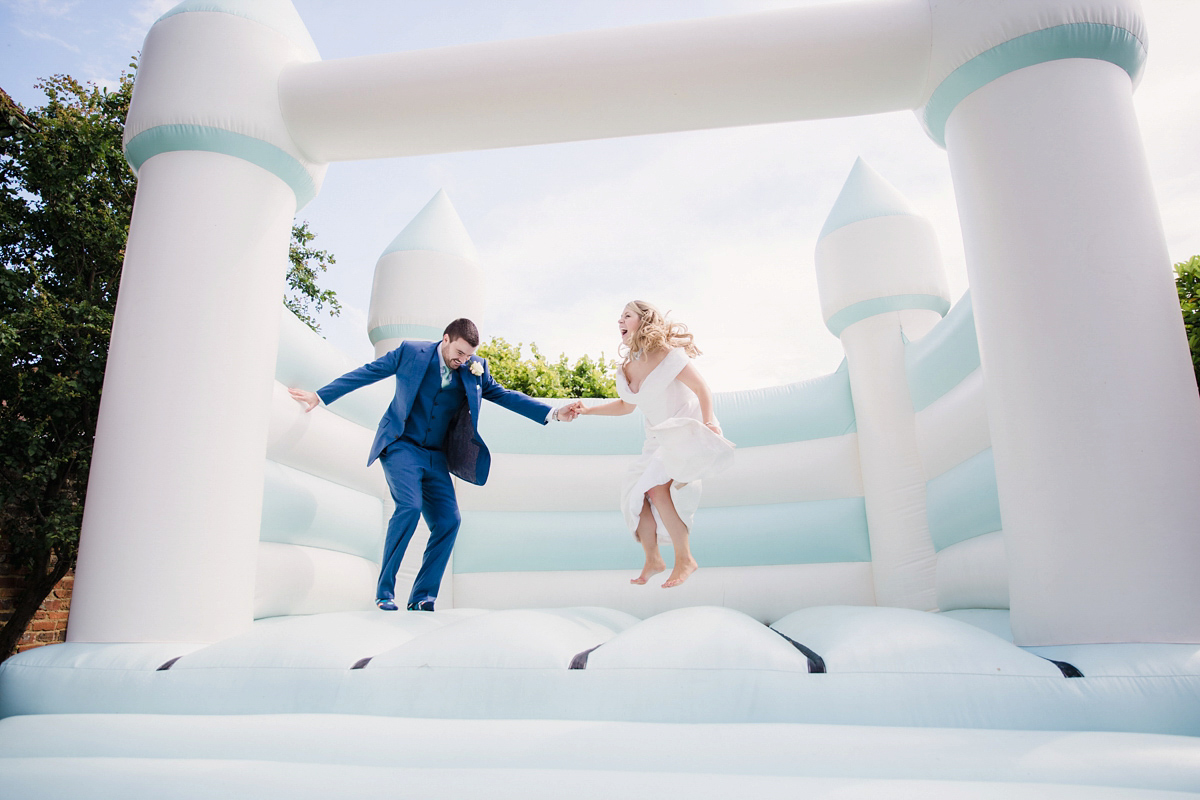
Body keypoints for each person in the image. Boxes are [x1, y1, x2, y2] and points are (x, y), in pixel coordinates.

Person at [289, 318, 578, 612]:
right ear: (446, 339)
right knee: (410, 507)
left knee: (449, 521)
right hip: (401, 444)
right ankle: (385, 591)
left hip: (436, 455)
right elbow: (368, 372)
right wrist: (321, 395)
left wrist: (554, 413)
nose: (464, 360)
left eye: (469, 355)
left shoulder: (475, 369)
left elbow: (504, 395)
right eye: (460, 353)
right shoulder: (410, 353)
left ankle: (423, 596)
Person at [569, 301, 733, 588]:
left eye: (627, 316)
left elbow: (701, 388)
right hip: (657, 438)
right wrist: (588, 410)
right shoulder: (627, 367)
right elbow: (625, 405)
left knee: (657, 487)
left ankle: (685, 559)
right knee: (635, 493)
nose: (620, 320)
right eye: (619, 317)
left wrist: (710, 422)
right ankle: (653, 558)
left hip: (685, 428)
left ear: (643, 321)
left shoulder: (667, 355)